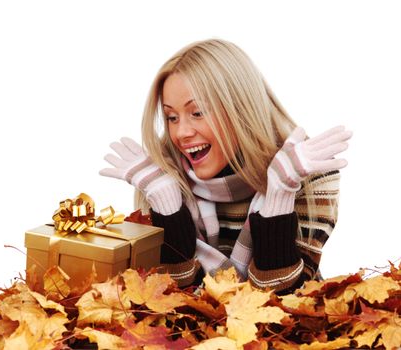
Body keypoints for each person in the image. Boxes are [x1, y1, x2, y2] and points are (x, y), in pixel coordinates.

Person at [99, 39, 352, 294]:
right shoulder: (159, 177)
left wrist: (279, 198)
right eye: (171, 117)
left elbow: (287, 307)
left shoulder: (308, 172)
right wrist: (170, 211)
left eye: (197, 113)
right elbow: (166, 306)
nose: (182, 132)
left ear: (241, 109)